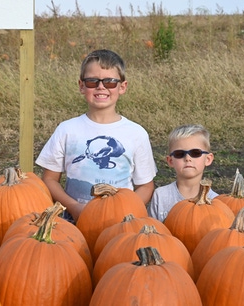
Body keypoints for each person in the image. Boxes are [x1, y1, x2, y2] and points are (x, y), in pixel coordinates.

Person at [36, 49, 157, 222]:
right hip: (74, 220)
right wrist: (74, 207)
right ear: (81, 86)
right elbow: (49, 180)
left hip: (121, 223)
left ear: (122, 87)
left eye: (110, 82)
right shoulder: (67, 130)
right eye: (93, 81)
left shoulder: (136, 133)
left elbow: (145, 186)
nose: (101, 87)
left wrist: (125, 210)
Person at [147, 124, 218, 221]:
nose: (187, 158)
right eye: (179, 154)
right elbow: (152, 230)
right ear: (170, 161)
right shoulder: (161, 196)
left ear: (208, 159)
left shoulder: (216, 201)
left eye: (195, 153)